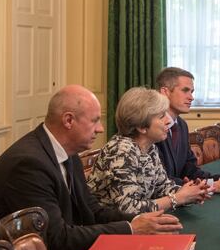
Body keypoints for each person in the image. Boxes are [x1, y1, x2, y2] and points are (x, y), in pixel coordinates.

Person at [0, 85, 183, 250]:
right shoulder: (29, 164)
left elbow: (92, 211)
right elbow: (56, 239)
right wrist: (130, 229)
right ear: (69, 120)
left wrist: (138, 220)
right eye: (95, 121)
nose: (100, 128)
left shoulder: (68, 153)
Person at [88, 87, 210, 215]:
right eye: (162, 116)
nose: (168, 121)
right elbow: (128, 209)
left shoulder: (150, 147)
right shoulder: (121, 151)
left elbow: (162, 187)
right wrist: (177, 198)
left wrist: (191, 193)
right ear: (141, 127)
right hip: (112, 230)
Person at [155, 67, 220, 193]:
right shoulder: (151, 127)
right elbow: (159, 181)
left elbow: (190, 170)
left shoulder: (181, 125)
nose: (191, 97)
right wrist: (213, 187)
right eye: (185, 91)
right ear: (165, 92)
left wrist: (219, 179)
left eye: (192, 91)